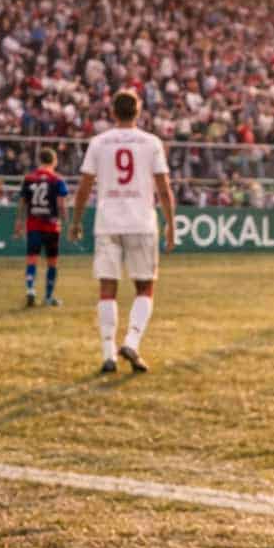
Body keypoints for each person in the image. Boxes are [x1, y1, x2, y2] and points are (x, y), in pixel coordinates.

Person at [69, 89, 176, 374]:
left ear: (113, 112)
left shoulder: (99, 142)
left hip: (108, 222)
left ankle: (108, 354)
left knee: (107, 288)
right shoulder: (151, 142)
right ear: (138, 112)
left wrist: (76, 221)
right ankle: (131, 342)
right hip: (141, 222)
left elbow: (84, 187)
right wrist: (171, 225)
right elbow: (163, 188)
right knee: (145, 287)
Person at [16, 146, 68, 307]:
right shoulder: (57, 179)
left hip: (33, 224)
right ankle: (48, 297)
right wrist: (66, 220)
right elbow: (61, 204)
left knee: (32, 259)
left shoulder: (29, 178)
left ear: (39, 160)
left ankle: (30, 289)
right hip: (51, 226)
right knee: (52, 262)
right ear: (54, 161)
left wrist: (19, 221)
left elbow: (22, 202)